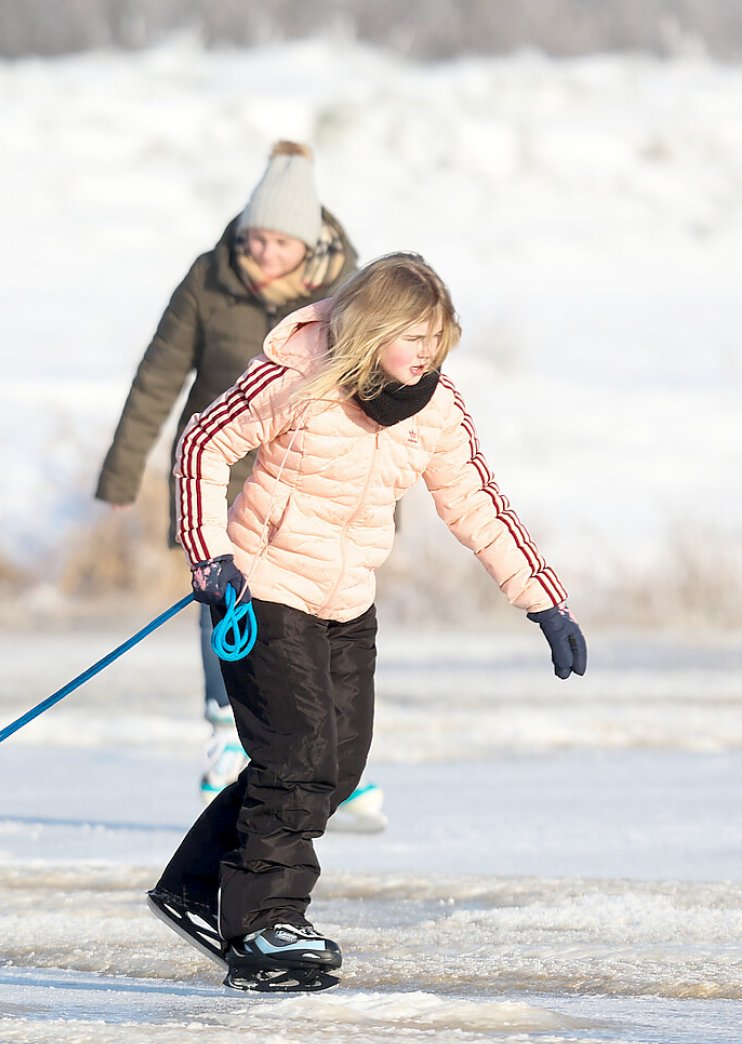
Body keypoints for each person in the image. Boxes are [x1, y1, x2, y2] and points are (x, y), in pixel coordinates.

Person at [145, 253, 586, 989]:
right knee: (298, 757)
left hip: (347, 600)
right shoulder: (299, 376)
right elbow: (201, 443)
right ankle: (262, 924)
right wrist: (210, 556)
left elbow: (478, 504)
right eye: (415, 337)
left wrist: (545, 601)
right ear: (374, 328)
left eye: (439, 339)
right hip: (265, 589)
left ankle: (194, 884)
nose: (429, 353)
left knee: (337, 766)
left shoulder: (435, 408)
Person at [94, 140, 384, 829]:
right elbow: (159, 374)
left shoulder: (350, 292)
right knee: (220, 596)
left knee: (317, 609)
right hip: (220, 467)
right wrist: (123, 469)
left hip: (313, 475)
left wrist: (380, 501)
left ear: (308, 242)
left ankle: (330, 753)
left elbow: (378, 394)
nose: (262, 252)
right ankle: (226, 729)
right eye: (255, 237)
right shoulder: (209, 277)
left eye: (278, 242)